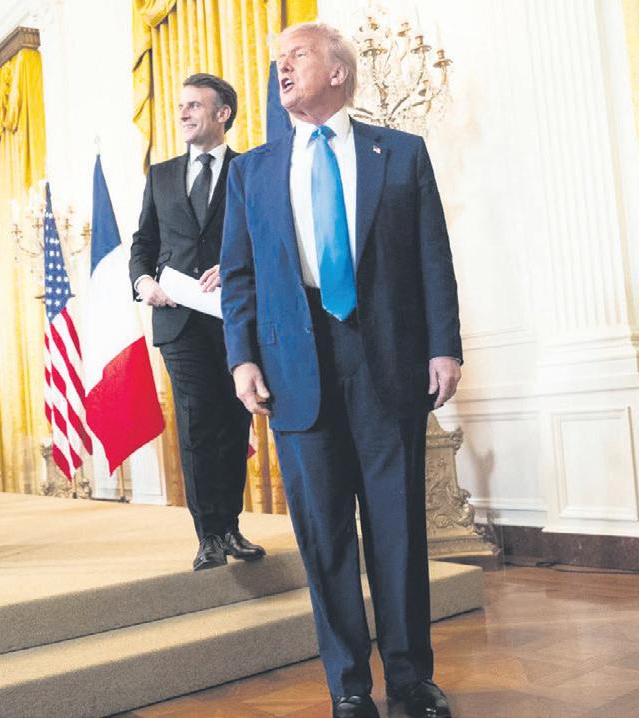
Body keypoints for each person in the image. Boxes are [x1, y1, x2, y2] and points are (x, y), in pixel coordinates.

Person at [220, 22, 462, 718]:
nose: (281, 68)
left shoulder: (401, 153)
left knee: (397, 528)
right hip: (295, 365)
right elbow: (239, 277)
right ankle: (348, 685)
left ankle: (410, 679)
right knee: (324, 536)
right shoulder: (251, 170)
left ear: (337, 71)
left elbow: (432, 257)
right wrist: (241, 358)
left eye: (295, 56)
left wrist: (443, 346)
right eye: (277, 60)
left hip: (387, 360)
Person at [130, 72, 265, 571]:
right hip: (178, 320)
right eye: (181, 105)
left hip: (234, 319)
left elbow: (267, 236)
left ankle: (230, 527)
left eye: (194, 105)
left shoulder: (250, 170)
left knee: (233, 422)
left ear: (223, 113)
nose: (183, 113)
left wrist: (234, 266)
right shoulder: (161, 175)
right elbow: (143, 242)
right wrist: (143, 282)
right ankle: (208, 534)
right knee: (198, 421)